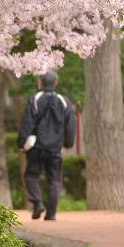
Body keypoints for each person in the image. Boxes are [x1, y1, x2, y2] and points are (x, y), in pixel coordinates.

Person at [17, 71, 76, 221]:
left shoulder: (35, 99)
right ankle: (51, 214)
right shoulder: (64, 101)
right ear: (56, 83)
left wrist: (22, 143)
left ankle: (37, 202)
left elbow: (27, 123)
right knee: (55, 179)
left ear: (40, 83)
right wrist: (68, 143)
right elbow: (70, 125)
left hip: (37, 147)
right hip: (55, 148)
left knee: (31, 175)